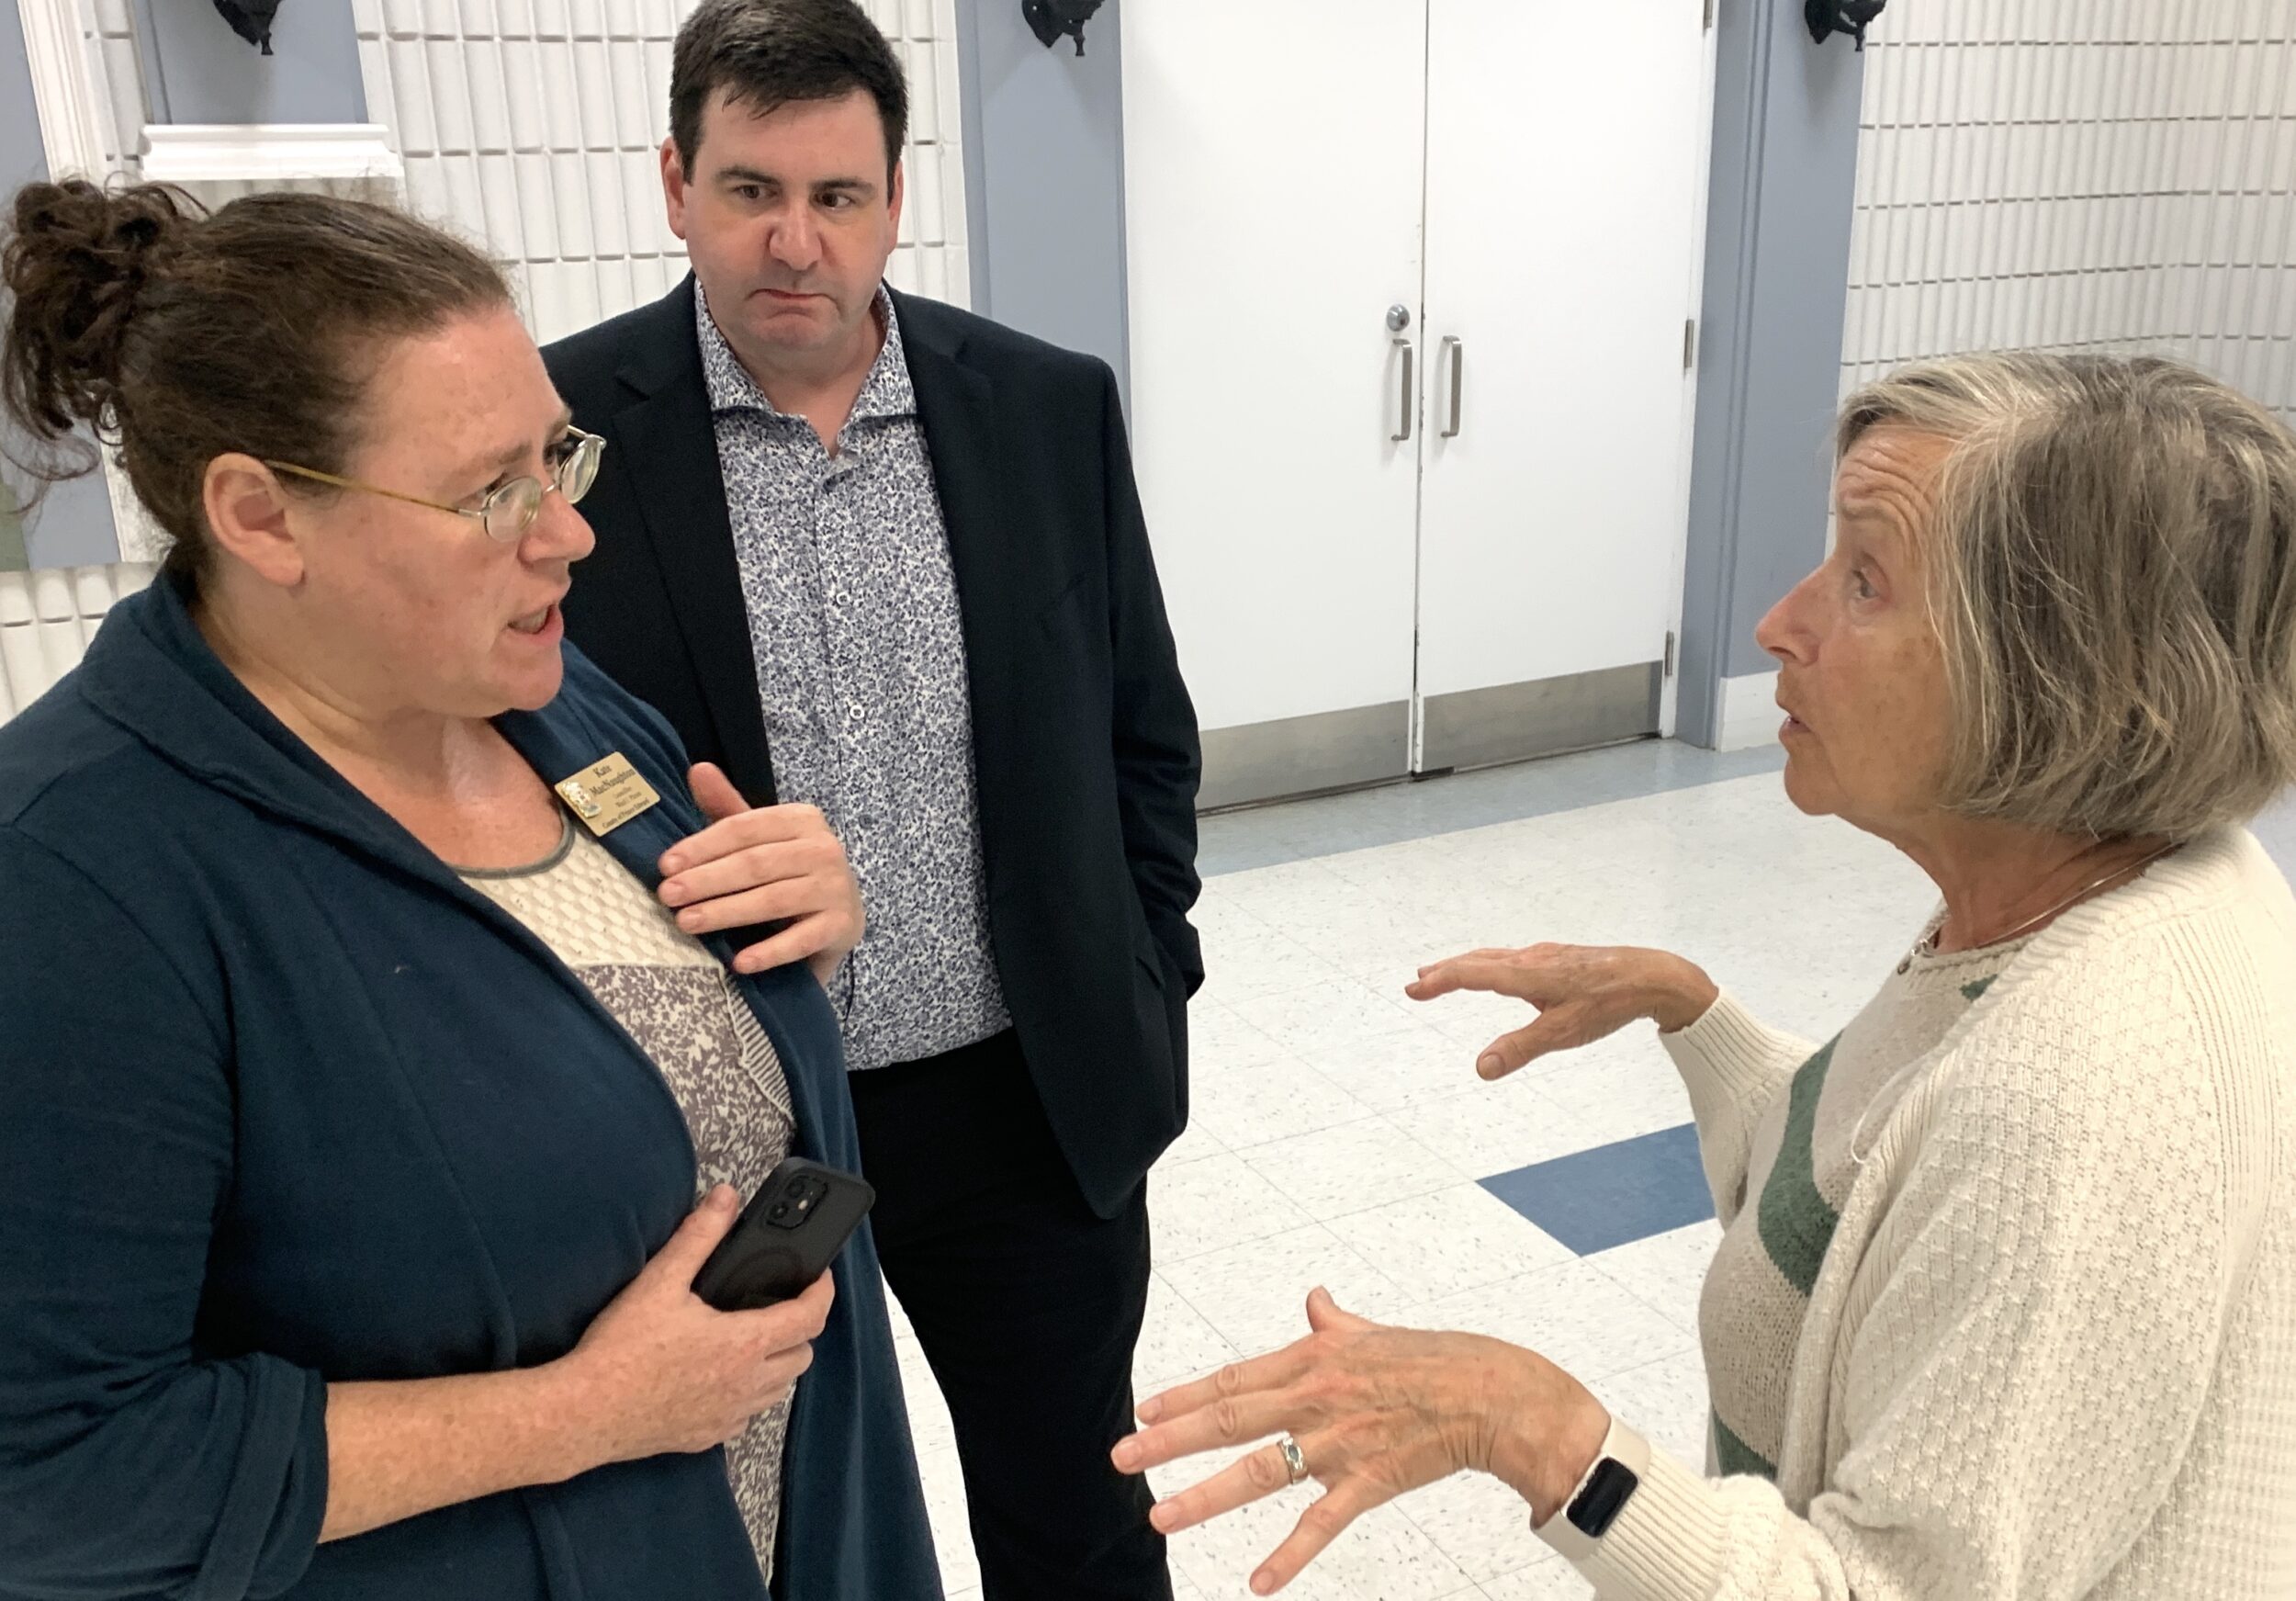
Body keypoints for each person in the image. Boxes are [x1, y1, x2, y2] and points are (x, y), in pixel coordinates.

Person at [1112, 352, 2296, 1600]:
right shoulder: (2099, 899)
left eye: (1865, 581)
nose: (1781, 623)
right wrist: (1698, 1015)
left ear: (2060, 676)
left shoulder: (2087, 1098)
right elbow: (1871, 1210)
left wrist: (1535, 1431)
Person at [0, 180, 940, 1600]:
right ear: (260, 516)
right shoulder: (77, 882)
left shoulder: (550, 710)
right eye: (488, 492)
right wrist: (576, 1417)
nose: (566, 534)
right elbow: (49, 1477)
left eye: (555, 457)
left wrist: (800, 915)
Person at [542, 2, 1204, 1595]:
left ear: (895, 200)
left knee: (1078, 1510)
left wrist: (1146, 971)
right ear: (673, 184)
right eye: (749, 188)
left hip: (1022, 1094)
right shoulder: (568, 433)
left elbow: (1143, 736)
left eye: (837, 196)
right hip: (733, 1112)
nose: (794, 241)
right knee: (771, 1530)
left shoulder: (1043, 409)